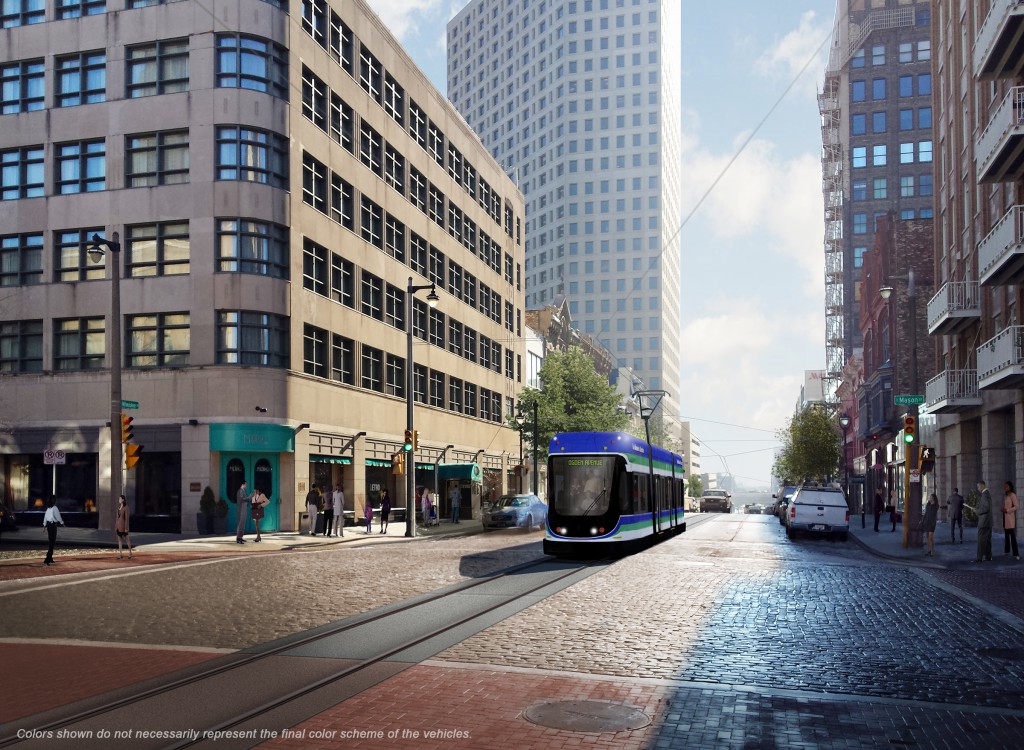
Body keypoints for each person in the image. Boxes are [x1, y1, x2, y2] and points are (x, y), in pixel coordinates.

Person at [974, 481, 993, 562]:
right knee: (987, 541)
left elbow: (986, 508)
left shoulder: (985, 495)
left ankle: (979, 558)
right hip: (988, 522)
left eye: (978, 487)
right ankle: (988, 557)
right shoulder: (987, 494)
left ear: (983, 485)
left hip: (984, 522)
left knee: (981, 541)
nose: (978, 489)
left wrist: (976, 511)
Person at [42, 496, 63, 566]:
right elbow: (58, 516)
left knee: (51, 541)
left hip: (48, 525)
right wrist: (62, 522)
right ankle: (47, 558)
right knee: (52, 542)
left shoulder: (48, 508)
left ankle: (50, 558)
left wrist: (44, 525)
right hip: (53, 525)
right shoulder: (55, 508)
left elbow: (45, 517)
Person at [1003, 481, 1019, 561]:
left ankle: (1016, 554)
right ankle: (1007, 551)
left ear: (1010, 487)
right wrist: (1003, 509)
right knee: (1006, 536)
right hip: (1005, 518)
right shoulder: (1006, 496)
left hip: (1010, 518)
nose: (1005, 488)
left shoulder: (1013, 495)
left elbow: (1016, 506)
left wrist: (1007, 510)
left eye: (1006, 486)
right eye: (1004, 487)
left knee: (1012, 537)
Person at [115, 495, 132, 560]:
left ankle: (130, 552)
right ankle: (120, 554)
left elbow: (127, 519)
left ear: (123, 500)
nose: (119, 500)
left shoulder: (126, 507)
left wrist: (126, 528)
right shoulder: (119, 507)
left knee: (127, 539)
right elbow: (117, 518)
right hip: (118, 527)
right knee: (119, 540)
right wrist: (116, 525)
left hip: (123, 527)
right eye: (119, 498)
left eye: (120, 499)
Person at [235, 480, 253, 544]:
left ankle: (240, 537)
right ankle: (238, 538)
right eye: (245, 484)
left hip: (244, 509)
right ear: (242, 484)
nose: (246, 485)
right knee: (241, 524)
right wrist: (249, 497)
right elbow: (242, 499)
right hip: (241, 509)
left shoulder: (243, 491)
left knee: (242, 524)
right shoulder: (240, 491)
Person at [923, 492, 938, 556]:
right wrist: (923, 520)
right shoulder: (928, 504)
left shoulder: (935, 506)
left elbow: (934, 512)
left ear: (934, 498)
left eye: (931, 497)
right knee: (927, 537)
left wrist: (932, 503)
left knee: (930, 537)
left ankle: (932, 551)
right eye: (930, 497)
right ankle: (928, 550)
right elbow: (926, 513)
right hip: (926, 522)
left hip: (932, 522)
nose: (930, 498)